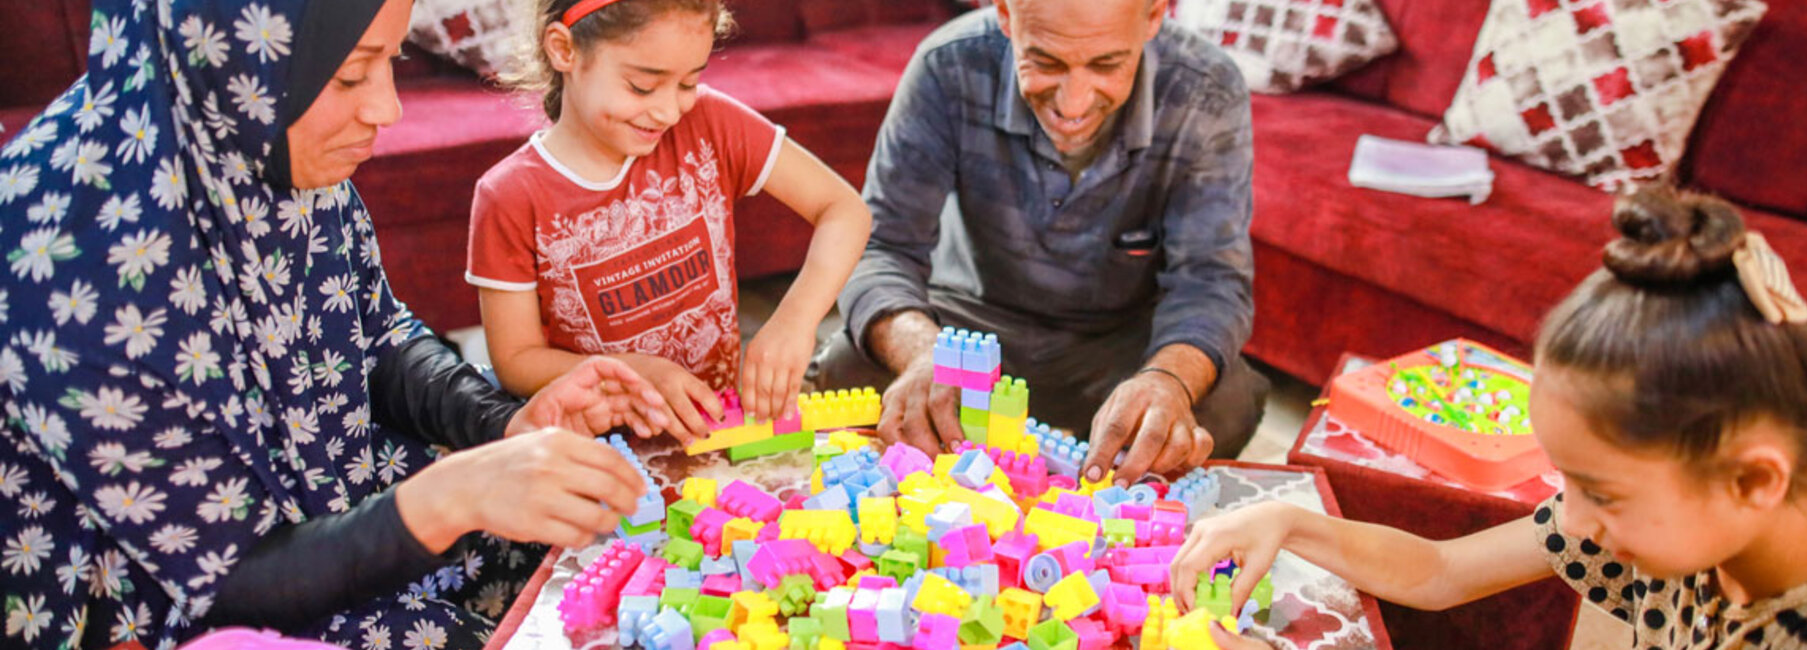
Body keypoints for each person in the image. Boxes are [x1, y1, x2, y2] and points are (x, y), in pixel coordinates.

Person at [0, 0, 678, 647]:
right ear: (234, 59)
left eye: (392, 61)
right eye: (352, 72)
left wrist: (500, 421)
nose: (386, 107)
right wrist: (448, 497)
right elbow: (221, 589)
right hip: (178, 605)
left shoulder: (256, 139)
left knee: (602, 545)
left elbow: (375, 338)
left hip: (332, 500)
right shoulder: (66, 266)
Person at [1169, 188, 1807, 649]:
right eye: (1566, 481)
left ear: (1754, 478)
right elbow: (1440, 570)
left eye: (1602, 494)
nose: (1571, 521)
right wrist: (1289, 523)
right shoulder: (1700, 526)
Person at [811, 0, 1271, 485]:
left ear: (1155, 16)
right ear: (1007, 14)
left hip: (1119, 342)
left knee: (1224, 403)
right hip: (971, 324)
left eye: (1107, 64)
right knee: (845, 370)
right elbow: (881, 245)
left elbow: (1210, 280)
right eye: (1046, 63)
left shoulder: (1208, 90)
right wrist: (929, 355)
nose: (1073, 106)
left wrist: (1167, 381)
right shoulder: (947, 64)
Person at [467, 0, 873, 442]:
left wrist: (795, 320)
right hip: (599, 450)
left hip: (715, 433)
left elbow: (844, 210)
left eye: (689, 82)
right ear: (564, 50)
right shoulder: (508, 196)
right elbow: (516, 360)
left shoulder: (709, 124)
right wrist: (631, 371)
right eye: (643, 87)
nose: (667, 112)